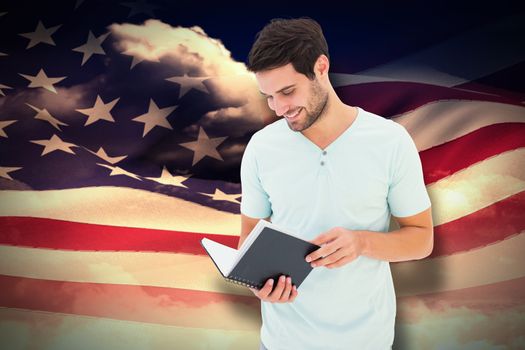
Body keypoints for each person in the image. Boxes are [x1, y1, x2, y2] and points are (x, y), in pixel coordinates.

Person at [238, 17, 433, 350]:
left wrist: (361, 243)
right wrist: (258, 284)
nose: (279, 108)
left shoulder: (389, 141)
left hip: (366, 340)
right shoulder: (261, 147)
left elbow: (422, 239)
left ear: (321, 67)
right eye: (269, 97)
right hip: (282, 342)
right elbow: (248, 242)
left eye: (287, 91)